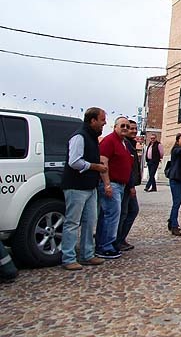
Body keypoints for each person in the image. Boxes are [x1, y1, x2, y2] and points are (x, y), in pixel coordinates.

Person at [60, 107, 108, 270]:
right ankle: (68, 258)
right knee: (72, 222)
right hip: (76, 186)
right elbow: (74, 161)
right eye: (102, 120)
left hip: (89, 187)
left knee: (89, 221)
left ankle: (87, 254)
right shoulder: (79, 136)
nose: (104, 123)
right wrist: (95, 166)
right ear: (93, 120)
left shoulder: (92, 137)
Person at [96, 117, 134, 259]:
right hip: (112, 184)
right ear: (115, 127)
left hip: (120, 185)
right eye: (122, 125)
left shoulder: (123, 143)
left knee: (109, 215)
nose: (125, 128)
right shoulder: (109, 141)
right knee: (111, 216)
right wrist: (107, 184)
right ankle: (105, 246)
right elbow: (103, 162)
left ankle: (103, 244)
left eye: (127, 126)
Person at [115, 120, 141, 252]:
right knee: (124, 212)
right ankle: (117, 240)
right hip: (125, 185)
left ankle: (119, 239)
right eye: (131, 128)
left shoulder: (130, 144)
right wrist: (131, 186)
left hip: (129, 184)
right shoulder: (126, 144)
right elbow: (127, 167)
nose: (134, 131)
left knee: (129, 211)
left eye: (135, 128)